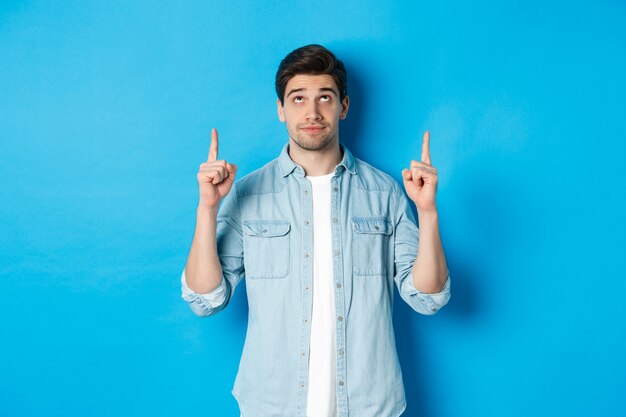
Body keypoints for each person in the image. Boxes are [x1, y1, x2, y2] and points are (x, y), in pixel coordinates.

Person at [180, 44, 451, 417]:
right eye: (297, 98)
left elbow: (427, 298)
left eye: (324, 97)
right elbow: (204, 299)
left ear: (343, 106)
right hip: (272, 406)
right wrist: (207, 208)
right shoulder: (248, 193)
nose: (311, 112)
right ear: (281, 109)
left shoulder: (384, 192)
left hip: (369, 406)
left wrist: (428, 212)